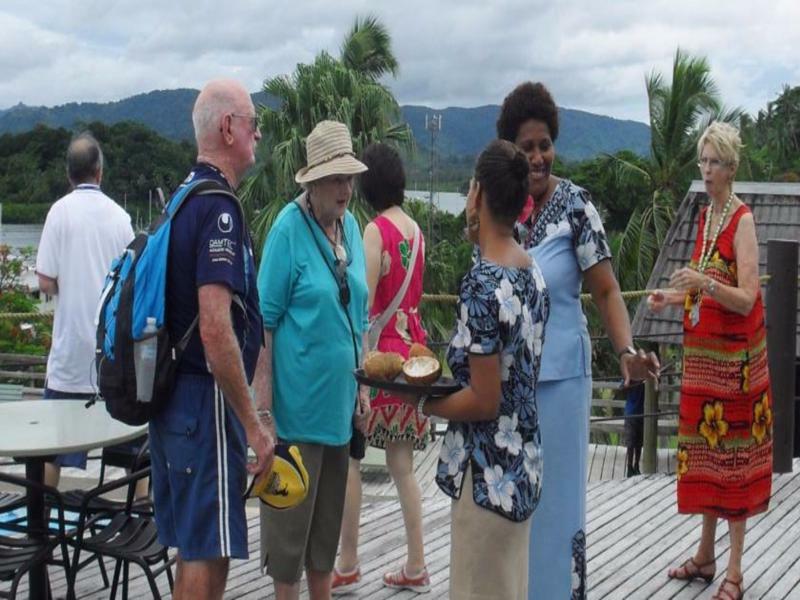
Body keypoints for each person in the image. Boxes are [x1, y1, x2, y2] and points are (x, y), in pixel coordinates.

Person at [496, 81, 660, 599]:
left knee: (558, 505)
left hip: (564, 381)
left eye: (545, 144)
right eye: (527, 148)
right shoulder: (500, 212)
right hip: (505, 384)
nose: (539, 156)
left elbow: (608, 289)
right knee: (511, 502)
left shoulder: (576, 207)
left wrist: (628, 352)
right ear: (511, 153)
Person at [402, 139, 548, 599]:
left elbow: (484, 400)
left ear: (479, 193)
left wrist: (423, 401)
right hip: (520, 469)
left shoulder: (484, 284)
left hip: (487, 479)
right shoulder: (530, 270)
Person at [148, 79, 274, 600]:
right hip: (206, 401)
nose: (259, 136)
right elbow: (216, 328)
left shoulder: (180, 201)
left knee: (193, 547)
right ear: (228, 128)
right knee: (208, 553)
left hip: (173, 403)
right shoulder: (219, 207)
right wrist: (254, 424)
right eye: (253, 124)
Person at [649, 122, 771, 600]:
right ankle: (705, 556)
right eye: (703, 160)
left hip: (736, 366)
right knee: (704, 455)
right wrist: (670, 298)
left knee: (733, 463)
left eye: (714, 161)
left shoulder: (742, 220)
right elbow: (700, 292)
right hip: (703, 362)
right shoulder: (706, 217)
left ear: (732, 167)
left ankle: (735, 571)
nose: (706, 169)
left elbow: (745, 297)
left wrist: (703, 283)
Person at [256, 120, 371, 600]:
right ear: (312, 181)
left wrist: (363, 388)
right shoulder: (287, 230)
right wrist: (262, 415)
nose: (346, 188)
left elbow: (358, 315)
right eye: (336, 179)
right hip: (296, 419)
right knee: (288, 552)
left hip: (340, 415)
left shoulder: (353, 228)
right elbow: (263, 327)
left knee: (324, 545)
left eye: (349, 177)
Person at [332, 143, 431, 594]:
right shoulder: (416, 231)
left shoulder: (375, 231)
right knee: (403, 465)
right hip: (415, 355)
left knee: (354, 456)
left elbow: (365, 305)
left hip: (382, 359)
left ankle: (349, 561)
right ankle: (416, 563)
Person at [35, 132, 135, 487]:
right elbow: (132, 285)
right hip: (109, 356)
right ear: (99, 171)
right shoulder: (121, 218)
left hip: (68, 354)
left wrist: (67, 282)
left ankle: (42, 521)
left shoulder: (58, 213)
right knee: (130, 444)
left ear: (69, 174)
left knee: (49, 449)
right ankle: (136, 513)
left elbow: (45, 280)